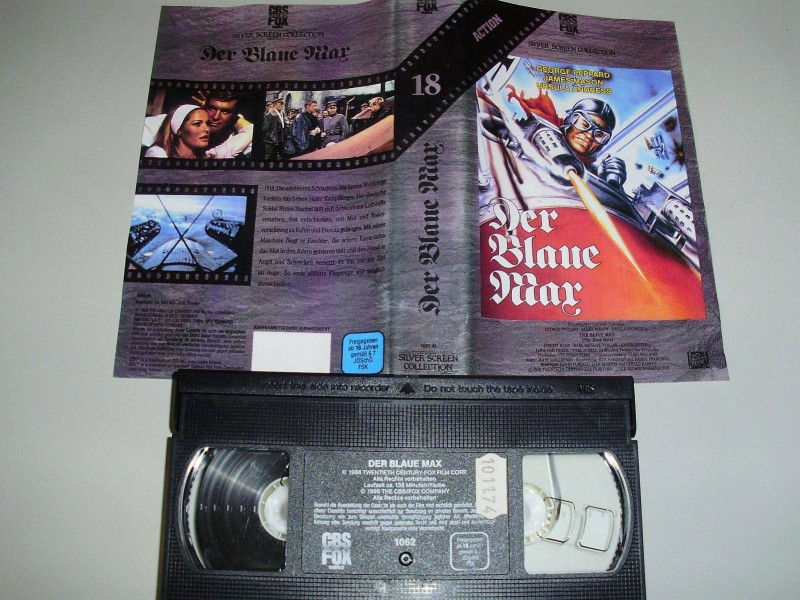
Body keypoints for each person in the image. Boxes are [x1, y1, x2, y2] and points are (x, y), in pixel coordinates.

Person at [506, 88, 626, 185]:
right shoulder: (538, 132)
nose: (589, 136)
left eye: (599, 134)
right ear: (570, 121)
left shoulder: (593, 173)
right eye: (585, 124)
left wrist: (607, 183)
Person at [145, 104, 210, 158]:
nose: (207, 129)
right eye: (197, 124)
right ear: (179, 130)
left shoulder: (207, 156)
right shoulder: (158, 154)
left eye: (207, 124)